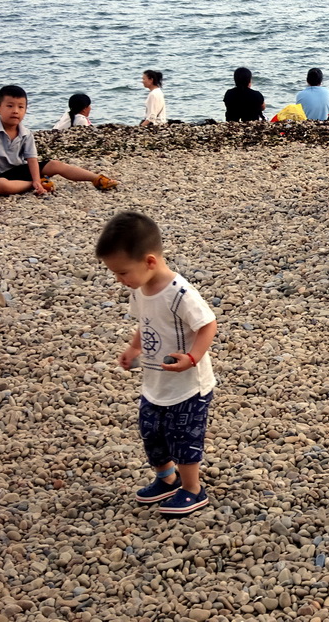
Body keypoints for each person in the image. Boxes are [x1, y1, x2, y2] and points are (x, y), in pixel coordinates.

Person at [95, 211, 217, 518]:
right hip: (156, 382)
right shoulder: (140, 289)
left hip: (189, 386)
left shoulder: (180, 294)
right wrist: (134, 347)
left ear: (150, 261)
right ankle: (167, 480)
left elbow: (207, 324)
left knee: (184, 437)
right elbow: (144, 321)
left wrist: (192, 358)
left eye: (122, 273)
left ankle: (192, 489)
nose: (119, 280)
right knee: (152, 432)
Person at [0, 85, 118, 195]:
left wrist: (37, 177)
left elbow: (31, 159)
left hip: (21, 170)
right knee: (0, 186)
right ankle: (34, 184)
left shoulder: (26, 133)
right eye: (10, 106)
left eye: (20, 107)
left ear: (25, 110)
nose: (15, 111)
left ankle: (98, 179)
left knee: (55, 164)